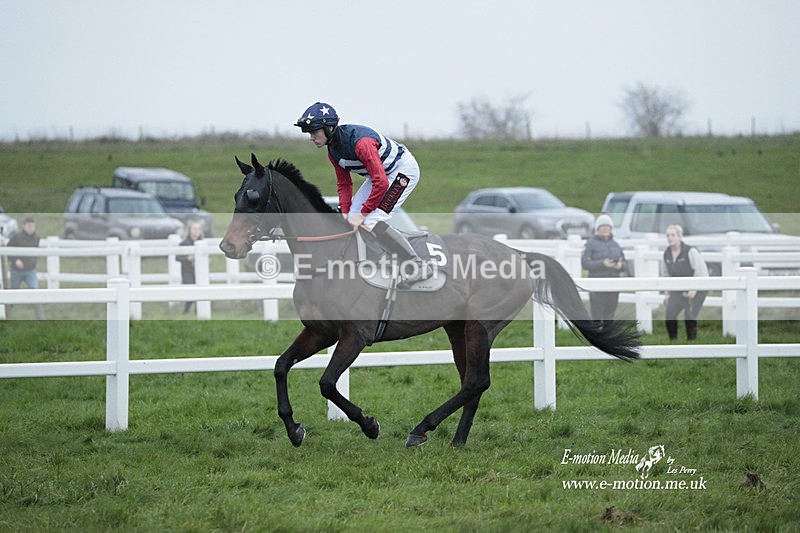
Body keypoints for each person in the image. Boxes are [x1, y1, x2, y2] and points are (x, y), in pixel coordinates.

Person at [294, 101, 431, 288]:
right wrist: (345, 210)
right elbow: (344, 183)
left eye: (314, 131)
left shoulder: (362, 144)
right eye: (309, 133)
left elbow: (381, 183)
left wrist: (364, 213)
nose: (311, 137)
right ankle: (379, 258)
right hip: (381, 175)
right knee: (351, 218)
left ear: (329, 128)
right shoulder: (332, 151)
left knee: (371, 220)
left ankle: (417, 264)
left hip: (402, 171)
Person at [661, 224, 708, 341]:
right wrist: (666, 294)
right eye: (668, 235)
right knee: (670, 315)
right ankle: (673, 342)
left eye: (673, 235)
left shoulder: (691, 251)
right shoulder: (666, 254)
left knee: (689, 316)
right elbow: (665, 275)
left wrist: (694, 289)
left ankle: (691, 343)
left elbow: (701, 272)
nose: (670, 238)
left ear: (680, 236)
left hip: (698, 288)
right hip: (678, 289)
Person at [581, 214, 627, 329]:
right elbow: (585, 264)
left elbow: (625, 264)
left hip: (614, 284)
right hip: (597, 285)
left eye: (608, 227)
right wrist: (602, 264)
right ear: (598, 228)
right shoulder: (590, 244)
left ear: (611, 229)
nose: (605, 229)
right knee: (597, 315)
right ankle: (597, 340)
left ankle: (608, 341)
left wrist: (620, 266)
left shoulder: (615, 245)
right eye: (603, 226)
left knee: (610, 315)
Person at [7, 216, 44, 319]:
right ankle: (7, 315)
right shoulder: (16, 237)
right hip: (16, 270)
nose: (31, 228)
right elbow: (8, 252)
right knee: (13, 293)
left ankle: (40, 317)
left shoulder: (37, 238)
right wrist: (16, 260)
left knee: (35, 291)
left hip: (30, 270)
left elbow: (35, 253)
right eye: (29, 226)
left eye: (33, 226)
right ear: (24, 226)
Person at [176, 221, 204, 313]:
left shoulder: (202, 243)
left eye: (198, 229)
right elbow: (178, 257)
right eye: (194, 229)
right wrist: (188, 258)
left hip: (200, 272)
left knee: (201, 294)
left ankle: (198, 313)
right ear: (190, 230)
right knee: (191, 293)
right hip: (187, 272)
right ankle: (186, 312)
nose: (196, 231)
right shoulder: (184, 243)